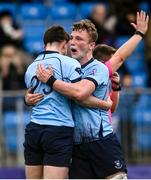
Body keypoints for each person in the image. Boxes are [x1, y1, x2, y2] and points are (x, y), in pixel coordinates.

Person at [26, 11, 149, 178]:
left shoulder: (98, 68)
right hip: (75, 146)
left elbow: (82, 91)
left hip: (100, 141)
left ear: (92, 46)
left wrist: (139, 34)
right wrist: (28, 98)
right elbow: (40, 90)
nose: (73, 43)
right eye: (71, 38)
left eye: (79, 39)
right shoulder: (64, 66)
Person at [24, 25, 112, 179]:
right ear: (64, 44)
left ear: (45, 44)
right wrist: (105, 104)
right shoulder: (69, 63)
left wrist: (27, 99)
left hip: (33, 129)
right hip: (58, 129)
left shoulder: (31, 68)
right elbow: (79, 94)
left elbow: (32, 95)